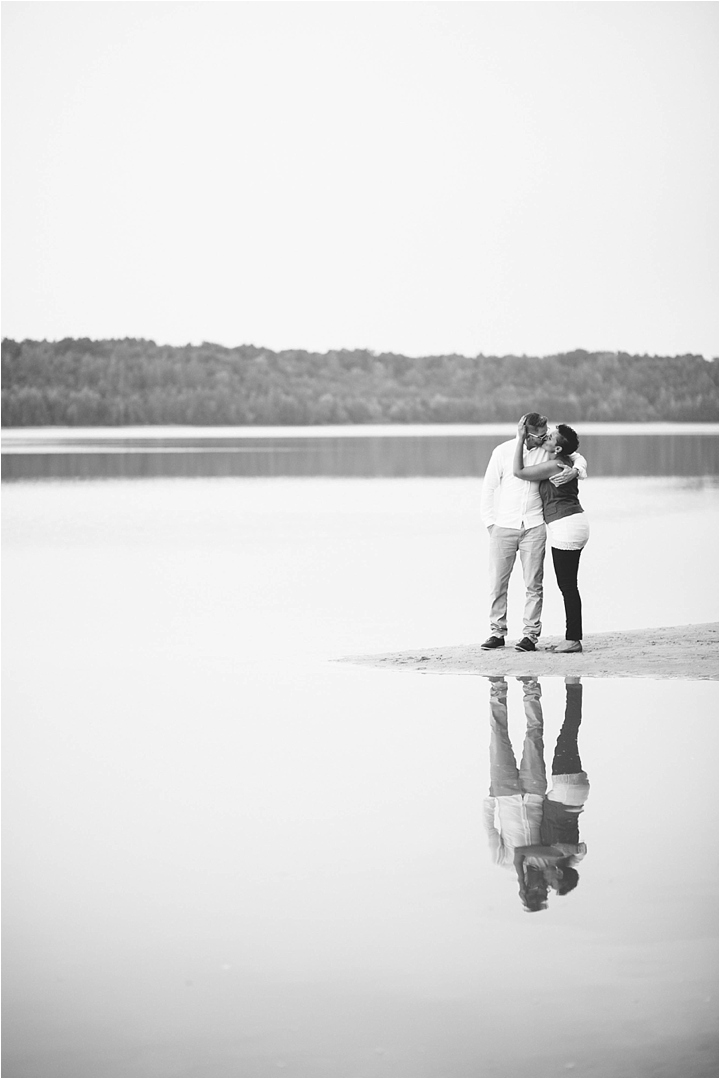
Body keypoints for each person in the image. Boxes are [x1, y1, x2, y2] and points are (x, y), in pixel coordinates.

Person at [479, 413, 587, 653]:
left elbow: (576, 456)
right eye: (541, 434)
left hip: (534, 526)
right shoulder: (503, 452)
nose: (544, 436)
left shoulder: (547, 451)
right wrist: (490, 523)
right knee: (498, 583)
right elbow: (488, 488)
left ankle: (530, 636)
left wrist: (577, 470)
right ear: (527, 433)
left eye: (547, 432)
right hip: (503, 526)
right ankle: (497, 633)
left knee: (534, 584)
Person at [512, 416, 590, 653]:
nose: (547, 435)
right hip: (571, 522)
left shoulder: (556, 464)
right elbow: (578, 458)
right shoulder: (565, 459)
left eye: (552, 436)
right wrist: (578, 469)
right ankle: (573, 636)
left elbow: (519, 472)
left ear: (557, 447)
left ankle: (573, 639)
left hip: (566, 525)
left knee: (567, 585)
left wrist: (519, 439)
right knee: (568, 584)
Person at [513, 677, 589, 903]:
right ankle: (573, 684)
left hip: (575, 797)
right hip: (565, 793)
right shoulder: (555, 855)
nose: (546, 882)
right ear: (557, 872)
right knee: (568, 731)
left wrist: (574, 854)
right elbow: (519, 852)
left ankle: (573, 686)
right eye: (552, 882)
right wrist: (520, 881)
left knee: (569, 733)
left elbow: (580, 852)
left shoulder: (567, 856)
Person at [482, 675, 547, 913]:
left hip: (503, 791)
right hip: (534, 792)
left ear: (524, 890)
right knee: (534, 736)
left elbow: (490, 828)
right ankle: (531, 689)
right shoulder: (545, 861)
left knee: (498, 736)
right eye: (543, 891)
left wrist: (490, 798)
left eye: (534, 891)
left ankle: (498, 689)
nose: (541, 887)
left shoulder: (503, 862)